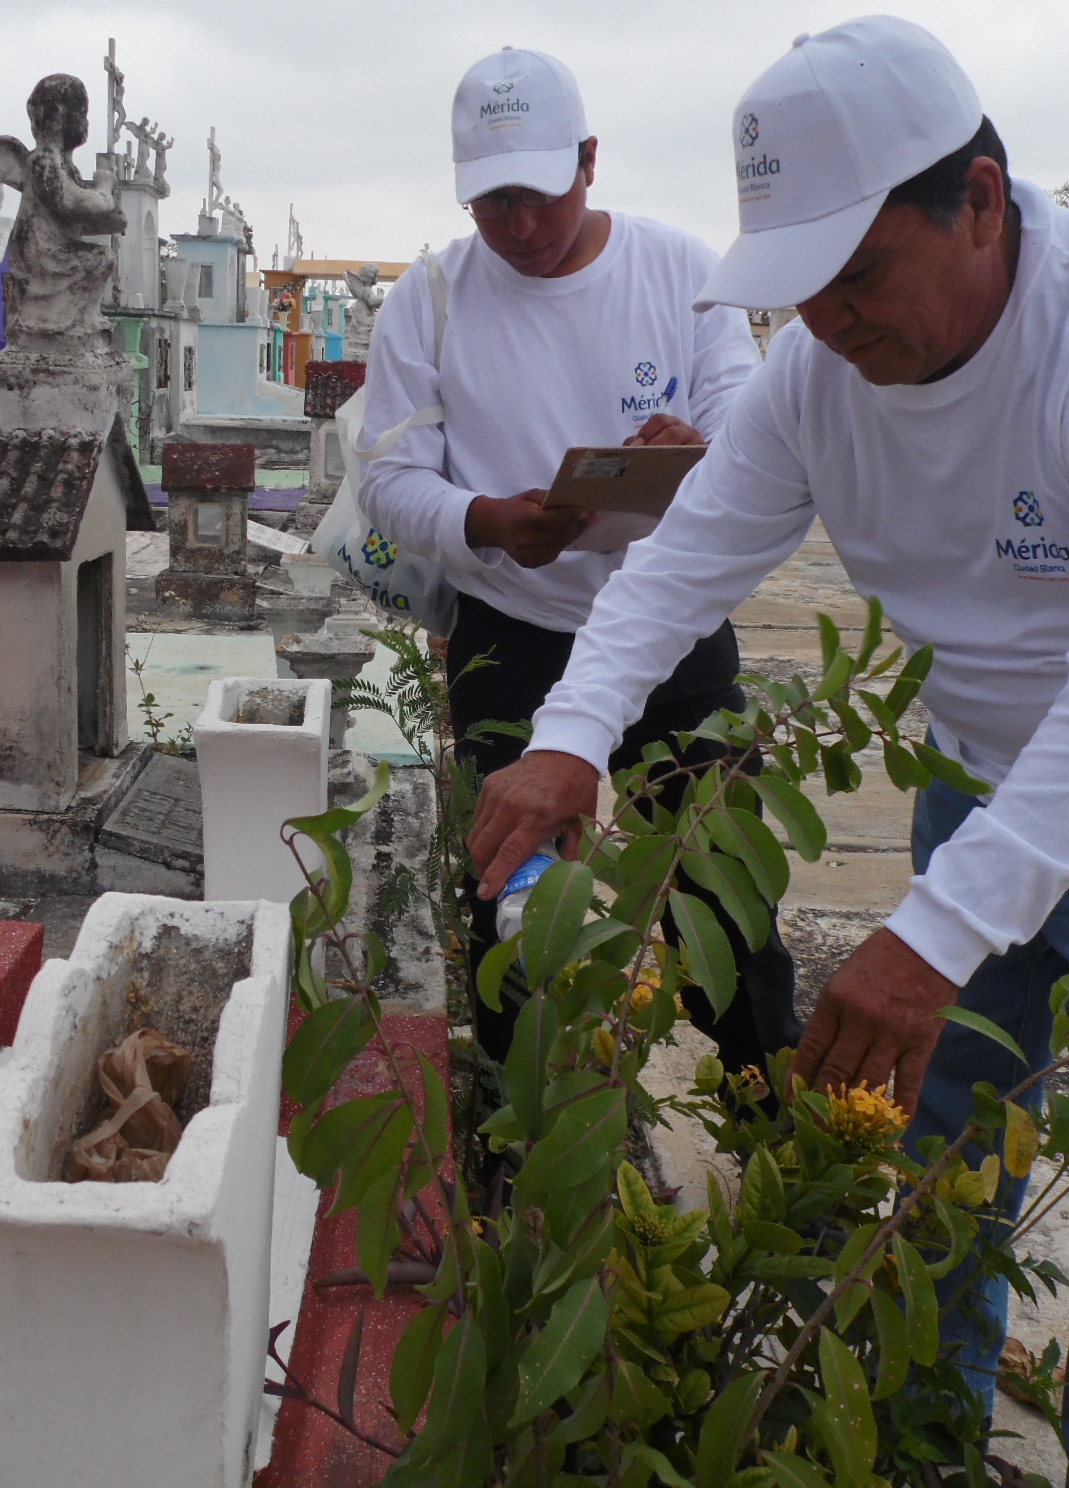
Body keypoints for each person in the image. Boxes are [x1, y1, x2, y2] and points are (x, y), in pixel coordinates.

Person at [468, 18, 1069, 1488]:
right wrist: (566, 741)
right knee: (928, 1169)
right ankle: (926, 1452)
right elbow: (676, 572)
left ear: (981, 201)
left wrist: (931, 937)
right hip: (983, 768)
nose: (830, 324)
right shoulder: (815, 377)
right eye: (800, 290)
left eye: (858, 275)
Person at [359, 45, 801, 1075]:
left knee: (719, 890)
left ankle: (765, 1104)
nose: (516, 226)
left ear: (589, 161)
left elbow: (748, 416)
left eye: (537, 196)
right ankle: (523, 1132)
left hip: (664, 626)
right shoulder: (428, 298)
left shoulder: (681, 270)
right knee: (509, 895)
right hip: (508, 633)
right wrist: (485, 519)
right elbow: (389, 477)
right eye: (490, 203)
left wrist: (690, 445)